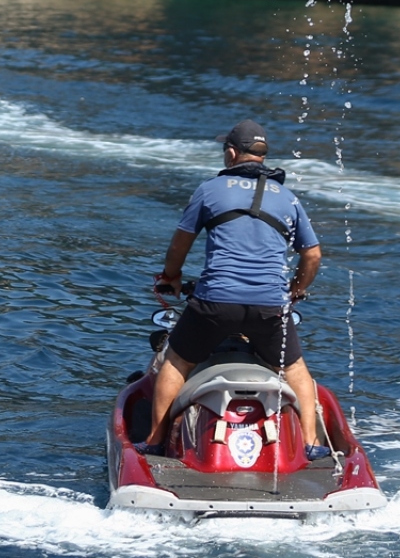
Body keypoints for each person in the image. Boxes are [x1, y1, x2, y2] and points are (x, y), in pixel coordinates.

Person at [138, 119, 329, 461]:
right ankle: (312, 445)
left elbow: (179, 246)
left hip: (215, 304)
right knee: (295, 368)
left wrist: (171, 277)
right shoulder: (288, 198)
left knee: (176, 361)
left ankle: (155, 442)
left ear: (230, 153)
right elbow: (312, 254)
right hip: (270, 306)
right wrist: (295, 291)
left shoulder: (210, 190)